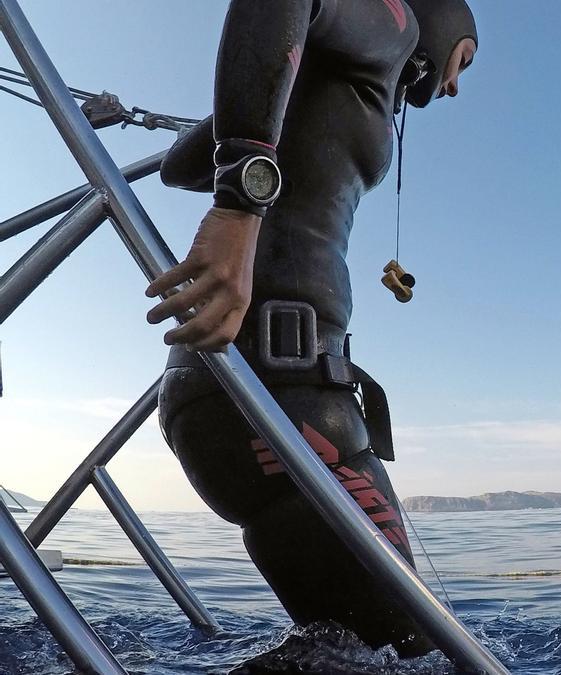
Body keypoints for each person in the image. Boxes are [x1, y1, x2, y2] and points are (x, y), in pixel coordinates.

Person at [146, 0, 477, 657]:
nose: (454, 85)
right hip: (285, 391)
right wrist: (244, 190)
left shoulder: (340, 73)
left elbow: (178, 165)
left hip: (214, 390)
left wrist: (267, 101)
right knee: (411, 651)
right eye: (463, 61)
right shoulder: (398, 24)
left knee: (348, 648)